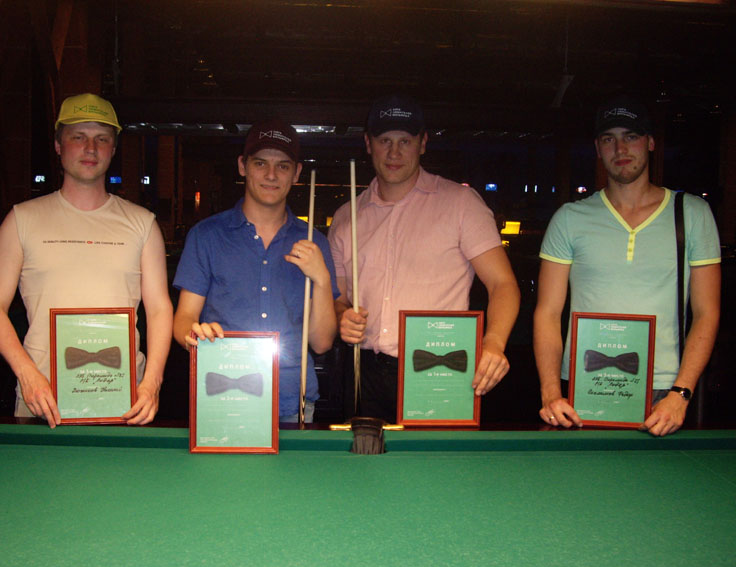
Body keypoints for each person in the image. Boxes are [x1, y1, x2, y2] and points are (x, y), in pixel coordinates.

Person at [0, 93, 174, 428]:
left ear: (113, 149)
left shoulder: (143, 224)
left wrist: (152, 383)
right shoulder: (21, 220)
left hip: (125, 400)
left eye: (102, 139)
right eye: (78, 137)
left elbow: (159, 308)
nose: (90, 149)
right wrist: (27, 375)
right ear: (58, 145)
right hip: (42, 400)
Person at [534, 95, 721, 436]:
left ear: (650, 142)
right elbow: (547, 312)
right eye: (609, 139)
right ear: (598, 148)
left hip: (665, 393)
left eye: (631, 136)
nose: (620, 148)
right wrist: (550, 393)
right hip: (583, 383)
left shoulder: (692, 214)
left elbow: (707, 312)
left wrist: (681, 393)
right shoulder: (569, 218)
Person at [328, 94, 520, 423]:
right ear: (368, 144)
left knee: (439, 458)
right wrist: (342, 316)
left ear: (423, 143)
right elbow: (339, 298)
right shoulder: (346, 217)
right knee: (363, 459)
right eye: (384, 141)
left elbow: (503, 284)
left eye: (405, 141)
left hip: (438, 367)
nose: (394, 152)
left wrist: (493, 342)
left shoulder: (461, 203)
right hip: (363, 371)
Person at [172, 118, 338, 423]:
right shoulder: (206, 236)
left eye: (283, 166)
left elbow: (321, 342)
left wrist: (322, 279)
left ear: (296, 173)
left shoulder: (315, 243)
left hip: (292, 402)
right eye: (260, 163)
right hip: (221, 395)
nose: (271, 175)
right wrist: (193, 334)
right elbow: (184, 319)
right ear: (242, 166)